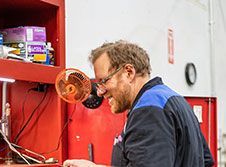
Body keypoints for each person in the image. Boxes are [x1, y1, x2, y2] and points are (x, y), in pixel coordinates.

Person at [63, 40, 214, 167]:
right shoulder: (172, 99)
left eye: (104, 81)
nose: (100, 92)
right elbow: (206, 160)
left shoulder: (149, 110)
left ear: (129, 72)